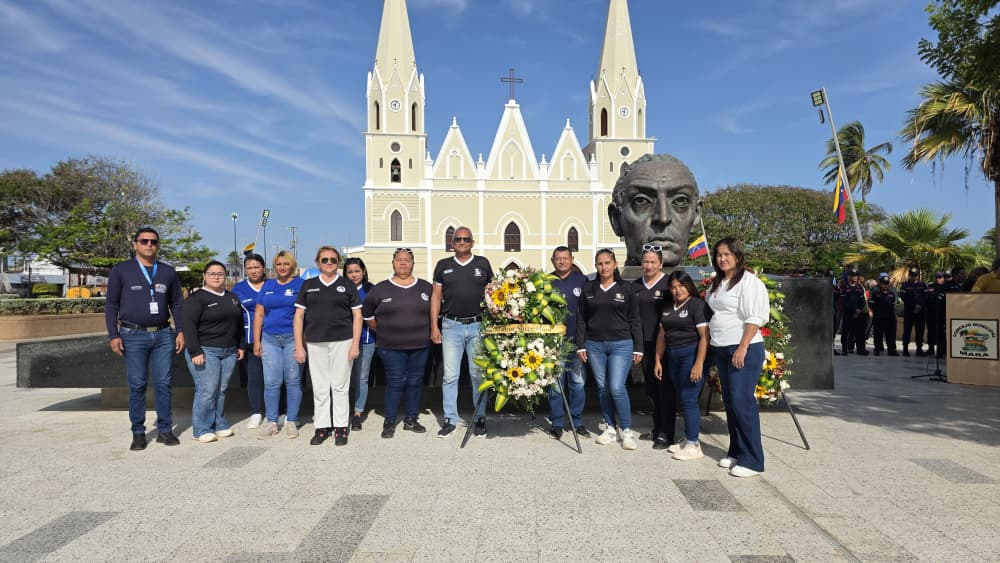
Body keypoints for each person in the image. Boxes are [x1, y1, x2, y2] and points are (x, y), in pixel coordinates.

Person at [105, 227, 184, 451]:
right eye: (144, 241)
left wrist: (180, 330)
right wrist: (113, 334)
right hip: (133, 334)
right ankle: (138, 432)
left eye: (153, 242)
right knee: (137, 384)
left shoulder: (168, 272)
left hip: (162, 334)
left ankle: (165, 430)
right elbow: (111, 304)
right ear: (135, 245)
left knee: (163, 383)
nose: (149, 245)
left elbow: (177, 303)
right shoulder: (122, 270)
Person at [706, 237, 770, 478]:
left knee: (743, 402)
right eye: (719, 254)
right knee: (731, 403)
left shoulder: (749, 282)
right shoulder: (719, 282)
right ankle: (736, 450)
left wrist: (743, 346)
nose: (722, 258)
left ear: (738, 256)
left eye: (727, 254)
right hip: (721, 348)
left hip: (742, 348)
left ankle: (753, 460)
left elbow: (755, 317)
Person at [294, 246, 362, 446]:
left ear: (338, 262)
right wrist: (299, 346)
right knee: (320, 387)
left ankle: (341, 428)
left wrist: (355, 345)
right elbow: (298, 317)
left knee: (340, 387)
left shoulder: (347, 285)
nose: (329, 263)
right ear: (318, 262)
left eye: (333, 260)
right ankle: (322, 427)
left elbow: (357, 316)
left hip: (343, 341)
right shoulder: (308, 285)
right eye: (325, 260)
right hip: (315, 342)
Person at [430, 226, 494, 438]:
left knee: (478, 375)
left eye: (466, 239)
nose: (462, 242)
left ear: (472, 242)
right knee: (450, 376)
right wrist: (434, 326)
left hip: (478, 326)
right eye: (458, 239)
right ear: (452, 242)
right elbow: (436, 297)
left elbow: (494, 293)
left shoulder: (482, 263)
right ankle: (450, 419)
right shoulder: (443, 265)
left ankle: (480, 418)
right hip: (451, 326)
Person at [576, 248, 643, 451]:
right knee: (603, 388)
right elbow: (581, 319)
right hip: (594, 345)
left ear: (615, 265)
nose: (604, 267)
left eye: (607, 263)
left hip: (621, 344)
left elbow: (634, 319)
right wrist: (580, 345)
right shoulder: (589, 289)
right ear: (596, 266)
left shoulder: (627, 289)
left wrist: (638, 347)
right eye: (600, 263)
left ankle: (627, 430)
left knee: (616, 387)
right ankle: (610, 428)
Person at [362, 248, 433, 438]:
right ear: (393, 263)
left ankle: (411, 419)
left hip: (420, 346)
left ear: (413, 264)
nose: (403, 263)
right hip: (390, 347)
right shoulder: (380, 289)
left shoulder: (426, 288)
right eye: (399, 260)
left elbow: (435, 313)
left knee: (415, 382)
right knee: (395, 381)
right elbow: (367, 315)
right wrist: (384, 329)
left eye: (407, 260)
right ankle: (390, 421)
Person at [182, 261, 245, 443]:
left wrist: (240, 346)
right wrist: (195, 351)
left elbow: (238, 324)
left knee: (221, 390)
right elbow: (189, 327)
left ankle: (218, 424)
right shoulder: (196, 299)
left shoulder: (232, 297)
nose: (216, 277)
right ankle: (201, 428)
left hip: (229, 351)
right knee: (207, 391)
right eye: (212, 274)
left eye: (220, 274)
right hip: (206, 350)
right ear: (204, 276)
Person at [653, 270, 711, 460]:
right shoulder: (668, 306)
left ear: (689, 286)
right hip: (672, 356)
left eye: (681, 285)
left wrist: (698, 363)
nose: (678, 290)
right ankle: (689, 439)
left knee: (689, 399)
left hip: (690, 354)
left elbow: (704, 337)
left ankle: (694, 444)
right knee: (683, 399)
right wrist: (657, 360)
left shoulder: (697, 304)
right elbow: (662, 336)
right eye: (674, 287)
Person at [607, 154, 701, 267]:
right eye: (641, 201)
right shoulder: (594, 285)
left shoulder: (714, 284)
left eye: (680, 201)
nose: (663, 218)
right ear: (616, 219)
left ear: (696, 215)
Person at [254, 250, 305, 439]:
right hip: (269, 339)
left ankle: (291, 421)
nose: (282, 267)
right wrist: (257, 341)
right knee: (271, 383)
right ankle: (272, 422)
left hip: (293, 339)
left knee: (292, 381)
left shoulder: (301, 285)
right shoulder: (267, 286)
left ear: (292, 266)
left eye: (286, 263)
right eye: (278, 264)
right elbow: (259, 314)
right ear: (274, 266)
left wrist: (302, 344)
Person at [631, 244, 674, 449]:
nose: (648, 265)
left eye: (653, 262)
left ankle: (667, 433)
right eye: (645, 261)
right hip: (644, 344)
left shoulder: (669, 285)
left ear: (661, 264)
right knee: (652, 390)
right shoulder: (636, 286)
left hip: (665, 346)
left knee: (664, 389)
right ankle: (657, 428)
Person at [545, 246, 590, 439]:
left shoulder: (582, 281)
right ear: (552, 260)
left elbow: (589, 312)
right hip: (554, 343)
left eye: (565, 258)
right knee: (555, 384)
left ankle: (576, 421)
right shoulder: (546, 282)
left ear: (572, 259)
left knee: (577, 383)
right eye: (558, 258)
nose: (562, 261)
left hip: (577, 342)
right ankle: (556, 422)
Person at [232, 253, 267, 429]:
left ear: (263, 268)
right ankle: (256, 411)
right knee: (254, 376)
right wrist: (239, 344)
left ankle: (281, 410)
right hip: (250, 339)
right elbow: (235, 318)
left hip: (272, 338)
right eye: (250, 268)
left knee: (277, 377)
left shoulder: (272, 285)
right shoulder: (238, 289)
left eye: (257, 267)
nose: (253, 271)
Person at [344, 257, 377, 431]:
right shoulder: (341, 290)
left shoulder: (371, 290)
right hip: (342, 342)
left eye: (357, 271)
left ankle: (357, 413)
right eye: (350, 272)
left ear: (363, 272)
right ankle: (341, 412)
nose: (354, 275)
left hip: (366, 341)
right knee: (343, 378)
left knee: (361, 378)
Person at [899, 266, 928, 356]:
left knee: (920, 331)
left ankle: (919, 349)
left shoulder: (923, 285)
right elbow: (904, 297)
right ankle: (905, 349)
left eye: (915, 275)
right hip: (909, 312)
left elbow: (926, 296)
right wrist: (914, 306)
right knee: (907, 330)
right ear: (909, 275)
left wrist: (920, 305)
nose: (913, 277)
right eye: (912, 275)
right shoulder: (905, 285)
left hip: (920, 312)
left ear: (918, 275)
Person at [868, 273, 898, 356]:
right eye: (883, 283)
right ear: (880, 282)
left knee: (890, 333)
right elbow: (870, 301)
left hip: (890, 315)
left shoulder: (892, 290)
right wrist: (877, 309)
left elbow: (896, 301)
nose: (885, 285)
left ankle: (891, 349)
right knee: (878, 333)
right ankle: (877, 349)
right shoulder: (875, 289)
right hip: (878, 315)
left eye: (886, 283)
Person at [840, 267, 869, 356]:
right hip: (848, 313)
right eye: (853, 276)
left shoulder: (859, 287)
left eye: (856, 275)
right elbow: (844, 301)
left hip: (858, 314)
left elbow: (862, 300)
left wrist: (859, 310)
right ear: (848, 276)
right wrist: (853, 310)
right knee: (845, 332)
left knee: (860, 332)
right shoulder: (844, 287)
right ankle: (845, 349)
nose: (855, 277)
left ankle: (861, 349)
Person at [926, 272, 948, 356]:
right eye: (936, 277)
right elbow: (926, 297)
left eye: (939, 277)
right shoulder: (930, 286)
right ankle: (931, 348)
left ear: (943, 278)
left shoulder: (945, 287)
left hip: (941, 313)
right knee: (930, 331)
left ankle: (941, 351)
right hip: (931, 312)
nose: (937, 279)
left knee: (941, 332)